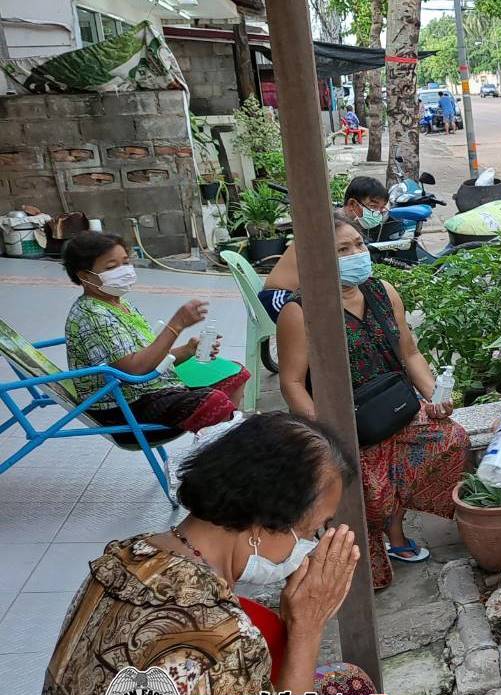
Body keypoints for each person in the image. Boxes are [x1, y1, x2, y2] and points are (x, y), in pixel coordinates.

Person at [33, 412, 496, 695]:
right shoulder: (221, 633)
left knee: (347, 684)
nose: (314, 542)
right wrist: (307, 628)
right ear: (261, 526)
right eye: (313, 529)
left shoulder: (129, 557)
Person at [276, 216, 468, 587]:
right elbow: (292, 383)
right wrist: (326, 436)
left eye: (359, 245)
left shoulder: (383, 291)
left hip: (395, 408)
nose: (356, 254)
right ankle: (370, 556)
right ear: (318, 259)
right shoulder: (300, 312)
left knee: (451, 440)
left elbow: (409, 353)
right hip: (343, 424)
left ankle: (395, 535)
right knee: (365, 487)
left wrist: (436, 397)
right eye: (342, 250)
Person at [62, 231, 247, 439]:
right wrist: (176, 325)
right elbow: (136, 370)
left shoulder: (118, 304)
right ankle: (222, 452)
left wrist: (187, 350)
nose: (124, 271)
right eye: (111, 267)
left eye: (125, 262)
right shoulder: (92, 315)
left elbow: (148, 357)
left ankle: (218, 445)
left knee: (235, 373)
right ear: (85, 276)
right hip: (123, 407)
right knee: (214, 401)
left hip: (149, 389)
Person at [261, 177, 391, 322]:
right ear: (353, 204)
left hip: (312, 291)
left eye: (381, 208)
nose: (378, 213)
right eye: (373, 207)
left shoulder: (347, 227)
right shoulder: (325, 228)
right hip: (280, 296)